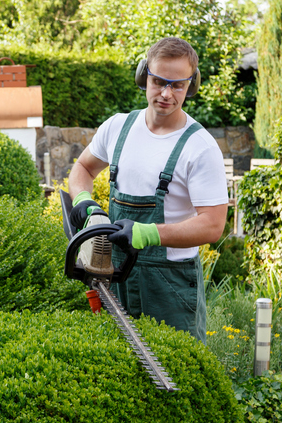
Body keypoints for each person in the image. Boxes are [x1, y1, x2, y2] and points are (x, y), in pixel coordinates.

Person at [67, 37, 228, 342]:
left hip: (169, 286)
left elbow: (213, 225)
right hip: (114, 274)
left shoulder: (200, 147)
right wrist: (85, 202)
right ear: (144, 77)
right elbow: (83, 169)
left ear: (191, 86)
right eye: (158, 82)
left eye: (177, 85)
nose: (166, 93)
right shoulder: (117, 128)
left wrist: (147, 233)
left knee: (178, 375)